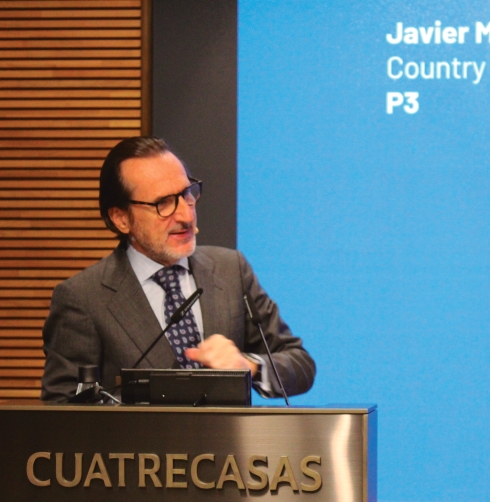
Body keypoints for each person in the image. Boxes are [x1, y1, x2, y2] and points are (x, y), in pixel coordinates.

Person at [40, 136, 315, 402]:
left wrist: (249, 365)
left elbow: (300, 365)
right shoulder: (83, 298)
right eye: (163, 203)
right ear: (121, 219)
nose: (185, 214)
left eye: (187, 194)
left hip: (230, 450)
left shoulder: (231, 269)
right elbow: (62, 411)